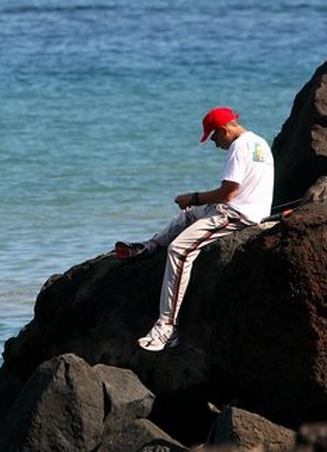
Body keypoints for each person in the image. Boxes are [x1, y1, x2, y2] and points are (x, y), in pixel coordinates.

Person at [115, 107, 275, 351]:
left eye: (214, 137)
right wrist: (196, 205)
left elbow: (228, 193)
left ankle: (167, 327)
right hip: (244, 208)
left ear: (224, 129)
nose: (214, 143)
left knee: (179, 250)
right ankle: (150, 246)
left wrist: (194, 197)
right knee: (188, 216)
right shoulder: (259, 142)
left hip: (237, 214)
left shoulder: (239, 147)